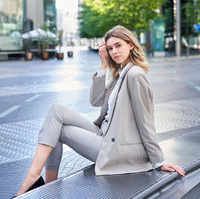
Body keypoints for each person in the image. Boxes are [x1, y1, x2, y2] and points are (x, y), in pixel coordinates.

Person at [13, 25, 185, 197]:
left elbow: (145, 121)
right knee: (56, 111)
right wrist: (103, 65)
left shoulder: (135, 75)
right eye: (110, 48)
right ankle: (40, 182)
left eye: (118, 45)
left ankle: (40, 183)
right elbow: (95, 100)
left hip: (116, 148)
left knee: (57, 129)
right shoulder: (121, 74)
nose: (114, 52)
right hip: (104, 133)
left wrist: (159, 161)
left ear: (131, 44)